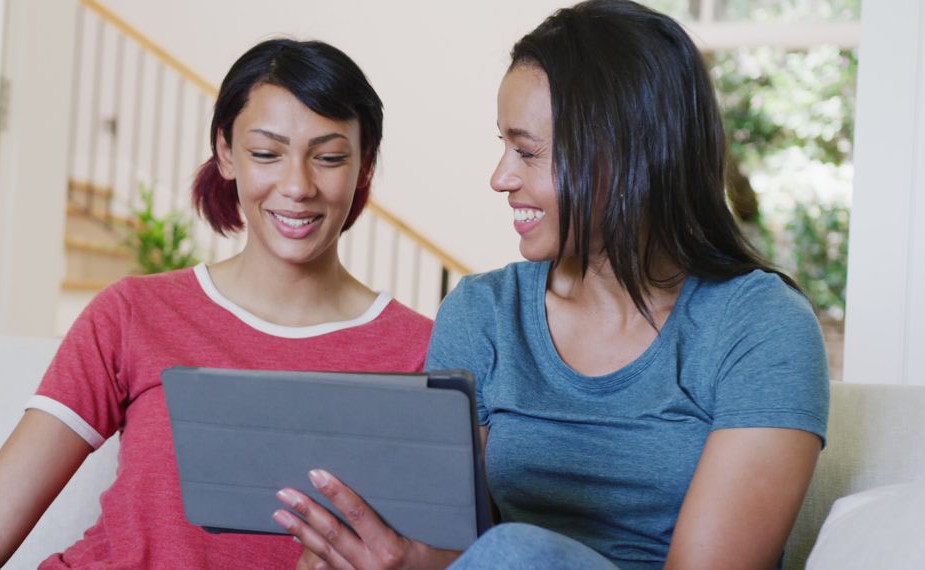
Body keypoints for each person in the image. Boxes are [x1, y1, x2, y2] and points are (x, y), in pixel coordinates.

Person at [276, 2, 829, 569]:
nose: (500, 177)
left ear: (625, 154)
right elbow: (447, 542)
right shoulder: (483, 312)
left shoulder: (760, 327)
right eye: (504, 146)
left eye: (528, 151)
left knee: (517, 551)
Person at [0, 38, 433, 569]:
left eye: (330, 157)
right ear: (225, 153)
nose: (297, 185)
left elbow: (457, 551)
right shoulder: (134, 312)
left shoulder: (422, 350)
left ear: (365, 166)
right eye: (266, 153)